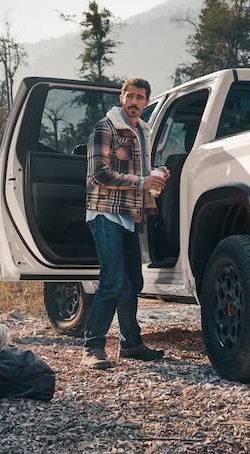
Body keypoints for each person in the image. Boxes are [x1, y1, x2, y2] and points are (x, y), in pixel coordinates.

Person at [82, 77, 168, 370]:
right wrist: (143, 180)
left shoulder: (142, 131)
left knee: (133, 282)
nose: (134, 102)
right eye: (130, 96)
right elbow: (98, 174)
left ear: (146, 102)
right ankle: (92, 347)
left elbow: (139, 173)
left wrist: (156, 175)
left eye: (140, 98)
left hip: (130, 215)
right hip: (105, 212)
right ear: (122, 98)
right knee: (113, 281)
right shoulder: (105, 128)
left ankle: (130, 344)